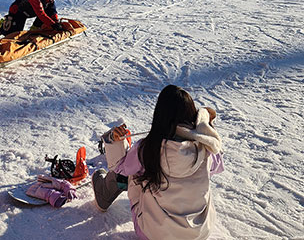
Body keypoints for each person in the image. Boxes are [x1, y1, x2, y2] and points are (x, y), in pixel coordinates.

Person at [93, 85, 224, 240]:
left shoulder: (149, 148)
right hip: (199, 234)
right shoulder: (205, 148)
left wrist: (113, 142)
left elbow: (119, 167)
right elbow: (218, 166)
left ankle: (104, 193)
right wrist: (206, 132)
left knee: (133, 170)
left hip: (154, 235)